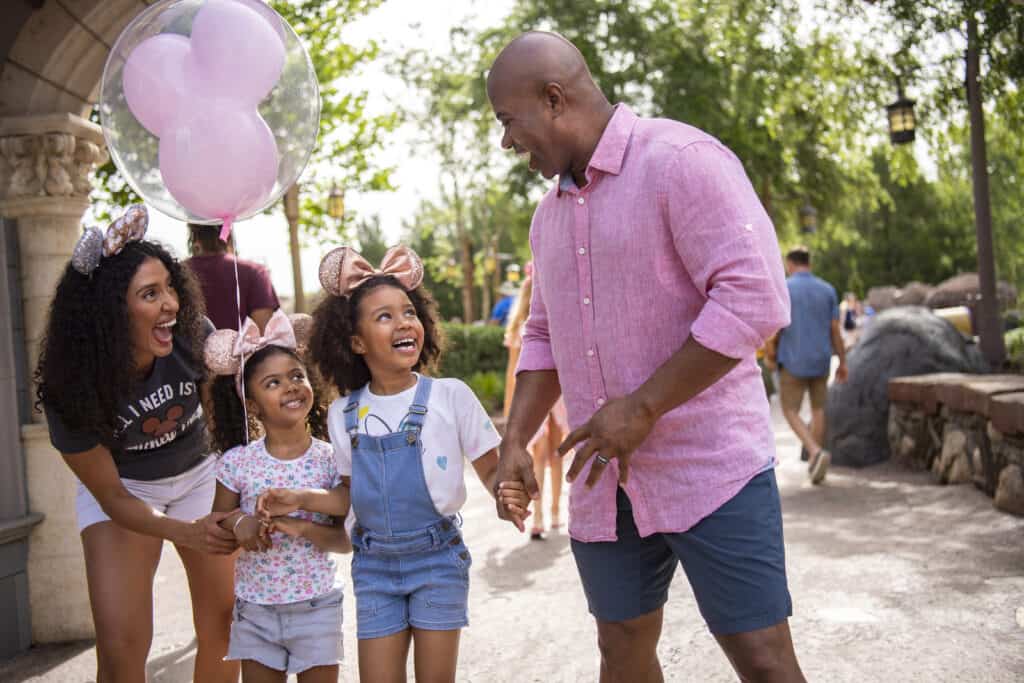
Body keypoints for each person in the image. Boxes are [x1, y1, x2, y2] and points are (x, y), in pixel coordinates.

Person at [488, 32, 806, 682]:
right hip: (605, 481)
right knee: (621, 647)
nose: (506, 142)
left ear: (553, 99)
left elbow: (756, 297)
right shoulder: (546, 219)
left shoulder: (683, 160)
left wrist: (644, 406)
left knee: (763, 658)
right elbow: (543, 334)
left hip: (712, 468)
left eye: (507, 121)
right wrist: (517, 435)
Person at [255, 245, 530, 683]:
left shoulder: (451, 396)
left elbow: (493, 471)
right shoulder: (343, 414)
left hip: (437, 559)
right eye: (384, 316)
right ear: (356, 341)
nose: (403, 322)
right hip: (375, 567)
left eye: (408, 312)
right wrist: (300, 499)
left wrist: (506, 495)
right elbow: (349, 495)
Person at [35, 206, 238, 682]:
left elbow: (221, 422)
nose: (171, 303)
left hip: (199, 476)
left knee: (225, 626)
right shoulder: (72, 388)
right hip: (126, 491)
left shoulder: (192, 336)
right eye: (151, 294)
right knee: (122, 644)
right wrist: (183, 531)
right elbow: (112, 497)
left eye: (171, 286)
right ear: (110, 312)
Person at [204, 309, 348, 682]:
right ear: (251, 406)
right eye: (272, 383)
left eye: (296, 375)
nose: (290, 386)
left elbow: (347, 538)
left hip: (317, 606)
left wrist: (298, 524)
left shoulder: (332, 459)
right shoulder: (237, 463)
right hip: (256, 611)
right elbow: (218, 524)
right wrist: (242, 523)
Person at [769, 246, 848, 485]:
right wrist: (843, 362)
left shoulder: (784, 287)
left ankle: (814, 451)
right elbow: (835, 331)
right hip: (821, 360)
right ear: (809, 263)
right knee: (818, 410)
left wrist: (770, 353)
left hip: (793, 360)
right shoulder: (827, 290)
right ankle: (815, 463)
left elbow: (775, 327)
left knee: (789, 410)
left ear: (790, 264)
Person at [504, 270, 567, 539]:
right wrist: (511, 407)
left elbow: (510, 375)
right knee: (548, 452)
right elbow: (512, 373)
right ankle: (546, 514)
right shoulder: (523, 330)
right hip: (542, 392)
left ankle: (549, 513)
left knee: (549, 452)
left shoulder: (549, 324)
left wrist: (510, 405)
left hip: (550, 393)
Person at [185, 223, 280, 331]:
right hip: (244, 348)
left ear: (193, 232)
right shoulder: (254, 271)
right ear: (229, 229)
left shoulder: (177, 272)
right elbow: (265, 332)